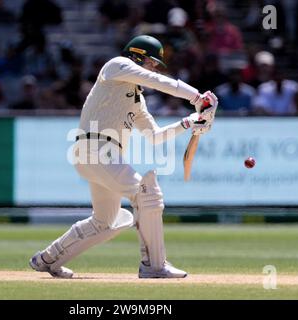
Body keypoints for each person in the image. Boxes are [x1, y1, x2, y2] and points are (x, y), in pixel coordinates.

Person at [29, 35, 218, 279]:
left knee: (105, 221)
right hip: (96, 149)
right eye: (151, 62)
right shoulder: (116, 65)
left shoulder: (136, 99)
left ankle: (47, 259)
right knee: (147, 193)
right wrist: (197, 97)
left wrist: (189, 122)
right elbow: (156, 80)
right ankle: (154, 265)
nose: (152, 68)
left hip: (99, 156)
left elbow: (155, 136)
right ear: (137, 55)